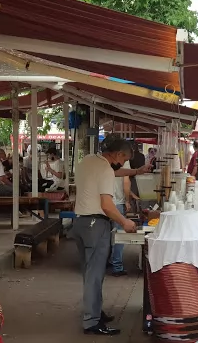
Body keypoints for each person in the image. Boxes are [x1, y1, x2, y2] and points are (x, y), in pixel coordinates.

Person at [71, 138, 138, 336]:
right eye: (124, 158)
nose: (123, 162)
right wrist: (125, 222)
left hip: (80, 222)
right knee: (95, 274)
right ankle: (91, 321)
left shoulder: (88, 161)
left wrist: (136, 171)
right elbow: (107, 205)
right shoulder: (106, 170)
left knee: (89, 272)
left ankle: (95, 311)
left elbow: (113, 173)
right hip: (96, 224)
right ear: (117, 154)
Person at [109, 161, 132, 277]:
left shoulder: (104, 159)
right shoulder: (124, 161)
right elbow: (126, 182)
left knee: (107, 234)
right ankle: (117, 266)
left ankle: (107, 260)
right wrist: (127, 200)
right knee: (119, 235)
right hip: (117, 203)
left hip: (104, 202)